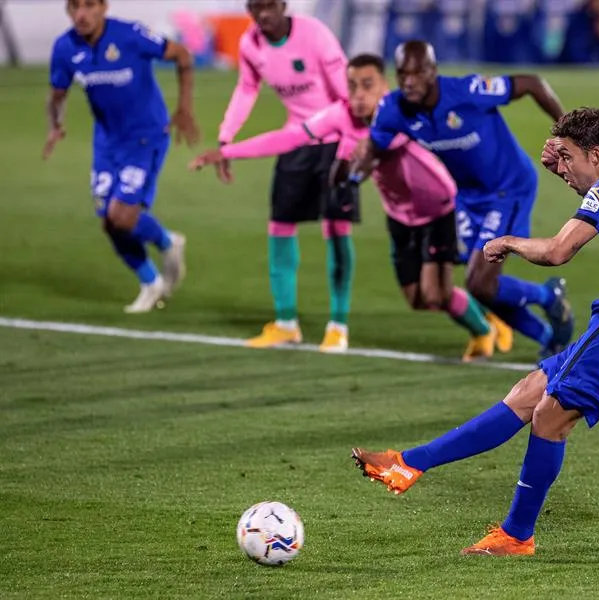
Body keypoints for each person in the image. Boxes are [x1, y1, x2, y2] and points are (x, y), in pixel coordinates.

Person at [352, 107, 599, 556]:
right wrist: (575, 166)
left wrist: (507, 242)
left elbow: (555, 252)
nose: (562, 168)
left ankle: (516, 534)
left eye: (568, 158)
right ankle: (407, 464)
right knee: (530, 392)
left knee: (550, 415)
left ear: (596, 153)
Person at [191, 54, 501, 361]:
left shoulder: (401, 113)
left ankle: (484, 330)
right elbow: (291, 137)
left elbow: (370, 154)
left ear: (385, 86)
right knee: (417, 299)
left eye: (367, 85)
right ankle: (483, 314)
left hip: (438, 209)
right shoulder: (340, 114)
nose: (358, 95)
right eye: (352, 87)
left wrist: (345, 161)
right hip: (399, 214)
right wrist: (228, 151)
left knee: (436, 293)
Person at [357, 40, 575, 361]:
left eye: (417, 73)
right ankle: (548, 339)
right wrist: (351, 176)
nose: (409, 81)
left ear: (433, 71)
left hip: (507, 188)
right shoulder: (394, 109)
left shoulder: (468, 91)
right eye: (403, 73)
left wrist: (567, 135)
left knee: (479, 283)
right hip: (467, 199)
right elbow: (373, 149)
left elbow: (532, 84)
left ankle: (547, 296)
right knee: (483, 288)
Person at [217, 0, 354, 352]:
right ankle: (285, 323)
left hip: (334, 140)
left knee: (336, 227)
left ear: (283, 5)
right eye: (255, 7)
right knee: (279, 225)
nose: (262, 14)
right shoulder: (250, 44)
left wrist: (350, 147)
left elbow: (348, 96)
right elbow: (247, 88)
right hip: (295, 140)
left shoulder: (316, 35)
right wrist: (225, 137)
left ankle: (338, 326)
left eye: (268, 6)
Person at [45, 0, 196, 313]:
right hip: (107, 143)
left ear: (103, 7)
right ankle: (151, 281)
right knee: (109, 223)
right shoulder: (65, 47)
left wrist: (184, 108)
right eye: (75, 7)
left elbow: (182, 55)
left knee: (122, 215)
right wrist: (55, 126)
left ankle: (167, 243)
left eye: (89, 6)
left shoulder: (130, 35)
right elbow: (58, 93)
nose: (82, 14)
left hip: (145, 135)